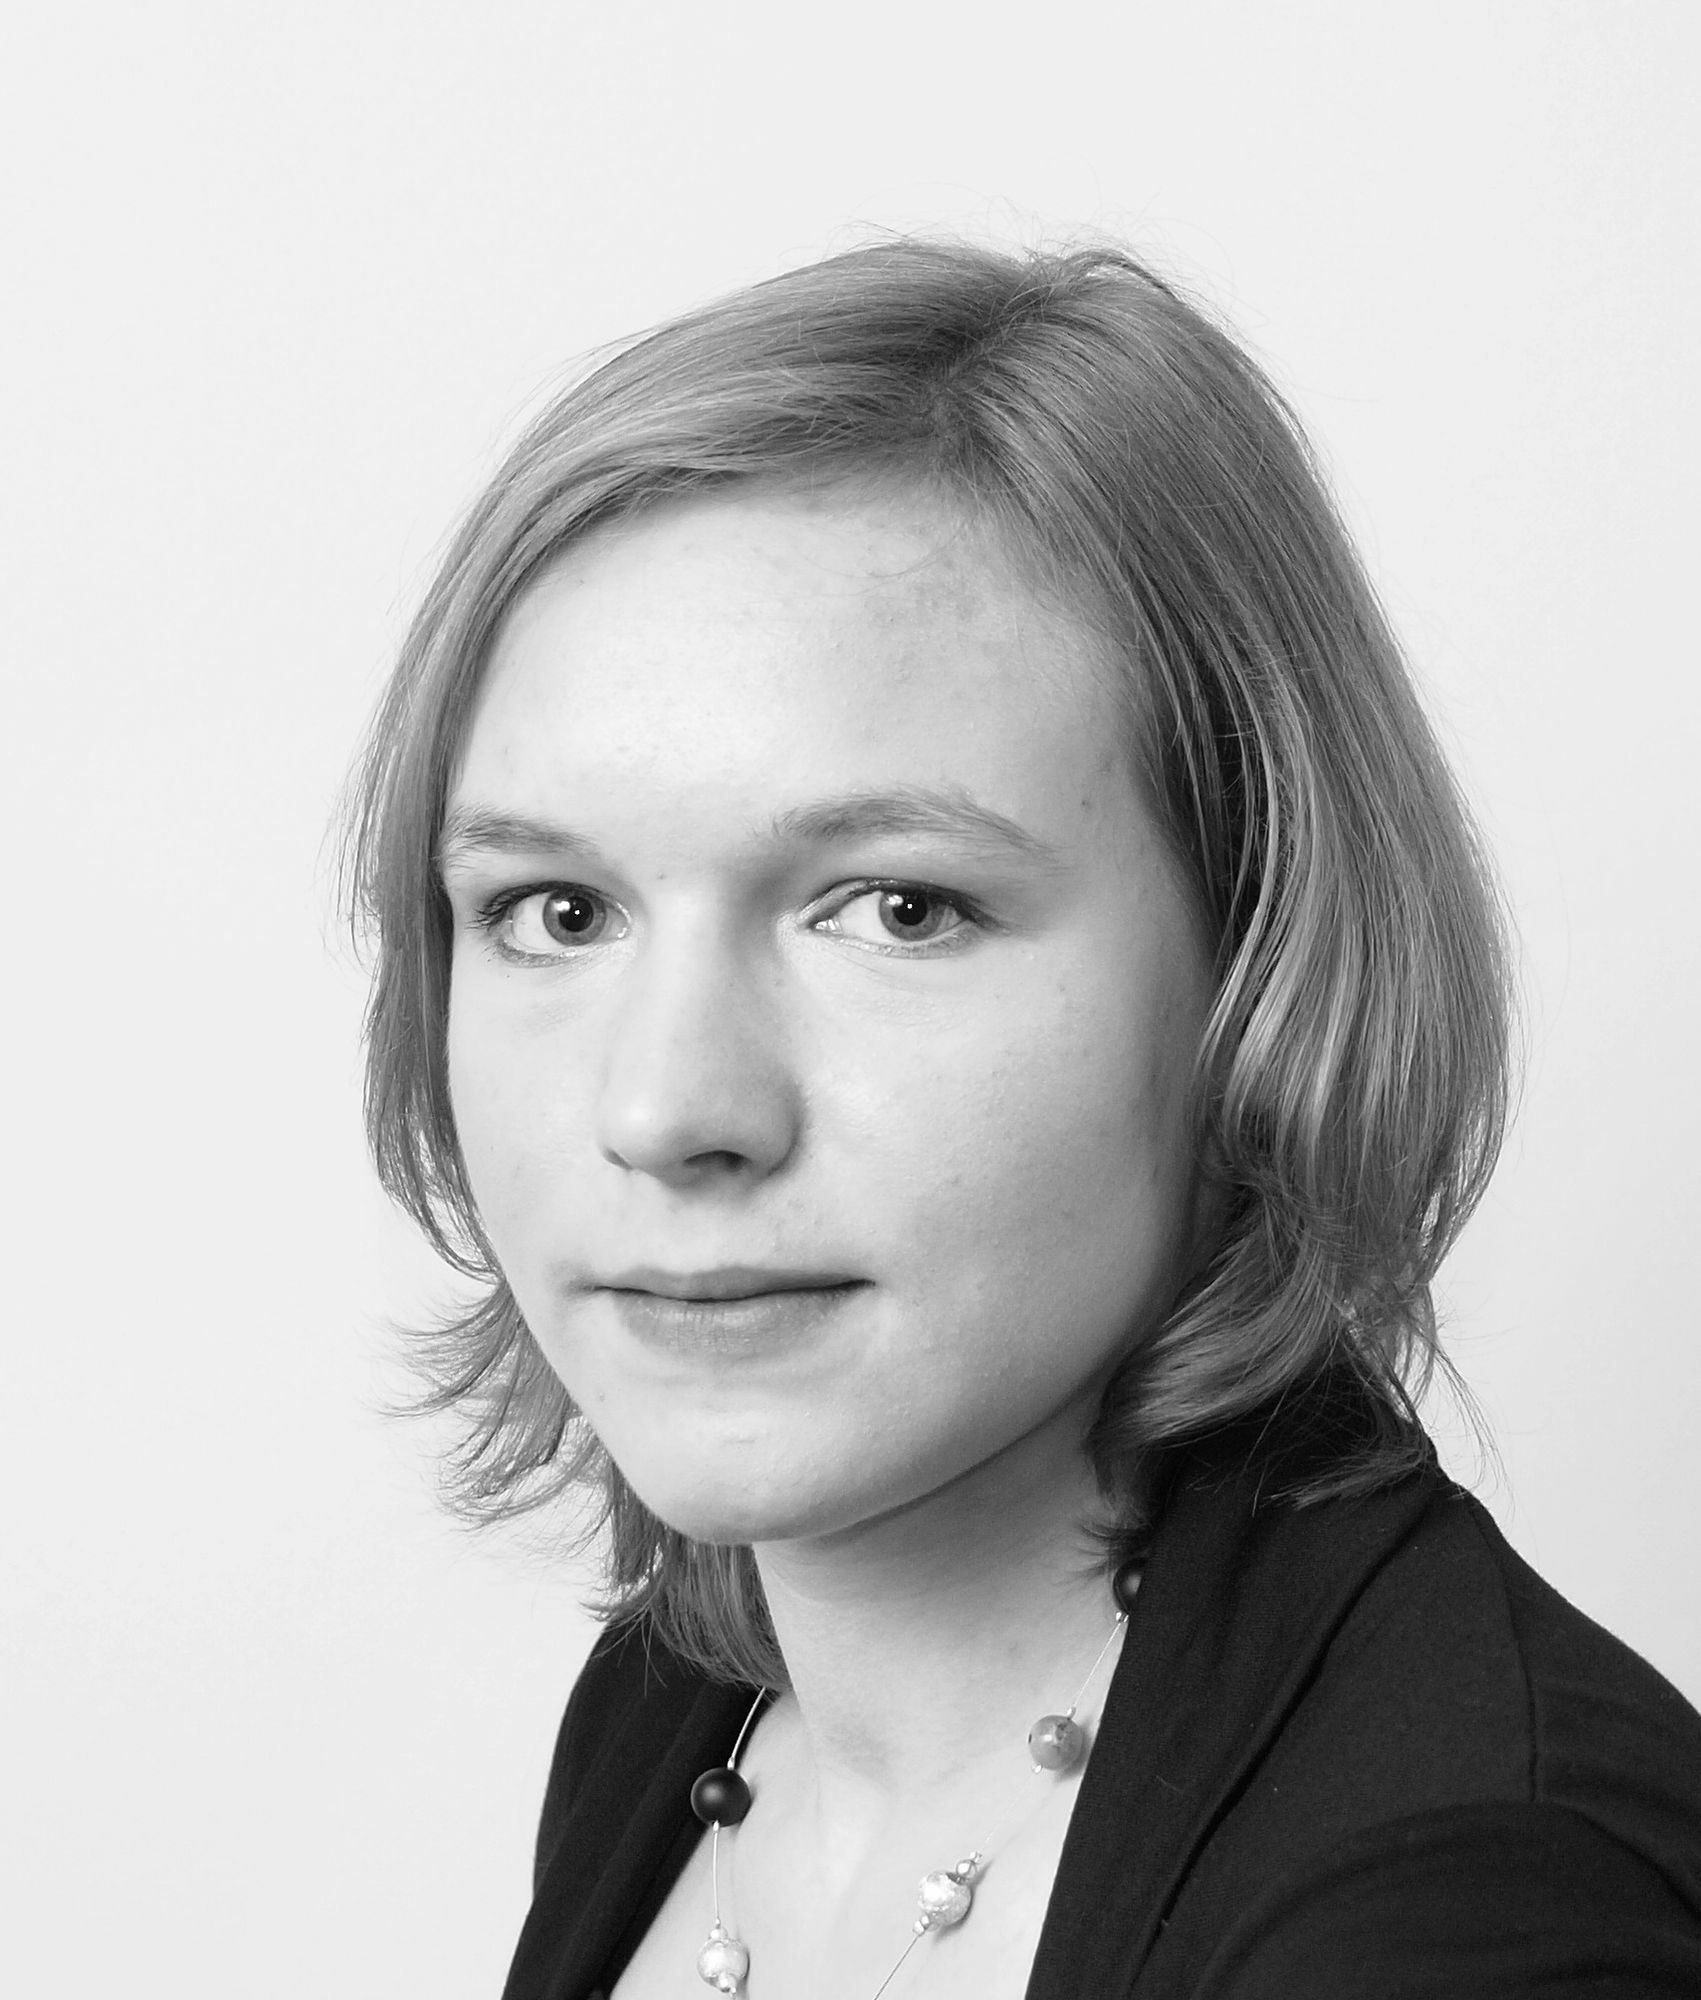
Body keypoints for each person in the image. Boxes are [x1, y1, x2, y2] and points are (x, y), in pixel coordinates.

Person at [343, 240, 1701, 1998]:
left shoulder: (1474, 1907)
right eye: (557, 911)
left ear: (1257, 963)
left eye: (897, 907)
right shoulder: (691, 1712)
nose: (666, 1107)